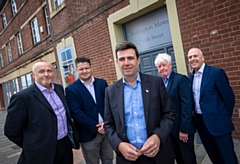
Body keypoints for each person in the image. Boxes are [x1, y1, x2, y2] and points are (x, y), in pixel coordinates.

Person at [104, 41, 175, 164]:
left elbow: (169, 114)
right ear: (117, 62)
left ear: (138, 60)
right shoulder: (110, 91)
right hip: (127, 158)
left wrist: (157, 136)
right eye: (122, 59)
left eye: (130, 58)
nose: (126, 63)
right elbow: (108, 125)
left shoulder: (156, 83)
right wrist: (119, 145)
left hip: (157, 155)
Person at [4, 61, 79, 164]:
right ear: (33, 75)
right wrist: (33, 145)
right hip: (41, 152)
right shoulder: (22, 97)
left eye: (49, 71)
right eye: (41, 71)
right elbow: (11, 131)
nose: (46, 74)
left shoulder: (59, 89)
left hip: (65, 146)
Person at [187, 48, 238, 164]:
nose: (192, 59)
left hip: (219, 123)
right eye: (190, 57)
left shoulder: (216, 73)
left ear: (202, 58)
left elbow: (229, 99)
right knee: (214, 156)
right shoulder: (190, 78)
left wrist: (223, 118)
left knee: (228, 157)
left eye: (195, 56)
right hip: (201, 124)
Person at [65, 56, 113, 164]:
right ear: (76, 70)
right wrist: (96, 127)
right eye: (81, 69)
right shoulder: (71, 89)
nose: (84, 71)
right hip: (88, 135)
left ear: (91, 68)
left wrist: (106, 123)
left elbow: (109, 105)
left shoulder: (102, 83)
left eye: (86, 68)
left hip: (106, 130)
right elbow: (76, 113)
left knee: (109, 160)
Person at [154, 53, 196, 164]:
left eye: (164, 65)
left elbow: (187, 106)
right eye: (159, 66)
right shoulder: (159, 83)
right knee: (177, 157)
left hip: (182, 128)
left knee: (188, 158)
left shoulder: (181, 79)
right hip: (169, 129)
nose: (162, 68)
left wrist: (184, 129)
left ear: (170, 65)